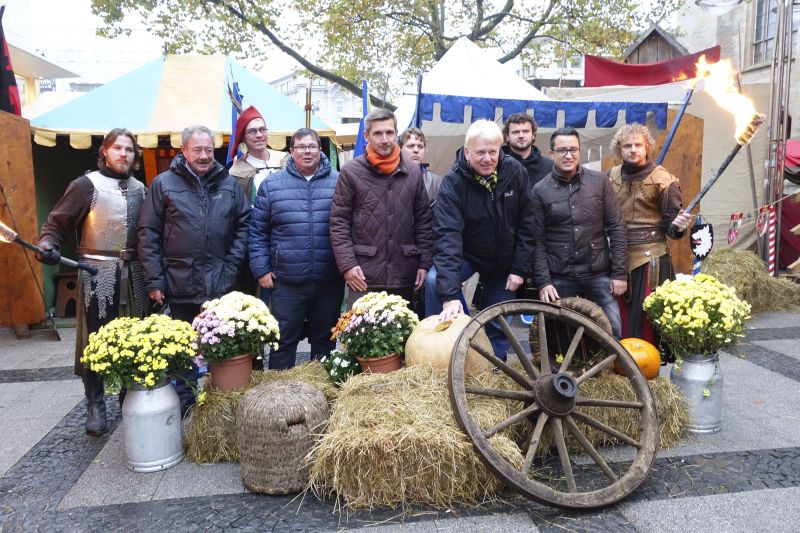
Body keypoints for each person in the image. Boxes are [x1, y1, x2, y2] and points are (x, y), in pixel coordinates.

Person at [37, 128, 148, 436]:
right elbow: (56, 222)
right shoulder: (86, 185)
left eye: (129, 149)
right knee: (95, 340)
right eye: (118, 148)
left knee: (134, 337)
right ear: (105, 152)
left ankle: (129, 394)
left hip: (134, 272)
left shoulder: (141, 188)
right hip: (97, 272)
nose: (123, 154)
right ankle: (95, 403)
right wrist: (48, 243)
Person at [138, 125, 251, 409]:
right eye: (197, 150)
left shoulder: (229, 185)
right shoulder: (163, 184)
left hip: (220, 282)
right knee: (184, 348)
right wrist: (154, 280)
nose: (203, 156)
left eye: (208, 150)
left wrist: (231, 265)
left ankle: (219, 405)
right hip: (179, 282)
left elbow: (244, 225)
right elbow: (148, 233)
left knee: (221, 346)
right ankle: (186, 402)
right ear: (184, 150)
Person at [425, 119, 535, 360]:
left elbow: (528, 223)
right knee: (434, 281)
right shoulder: (453, 182)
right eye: (480, 153)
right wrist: (450, 294)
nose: (487, 159)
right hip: (468, 253)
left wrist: (519, 268)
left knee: (499, 321)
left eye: (492, 152)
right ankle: (451, 344)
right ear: (467, 152)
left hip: (503, 258)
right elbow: (447, 235)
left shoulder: (515, 172)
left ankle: (494, 365)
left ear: (500, 150)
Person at [248, 128, 344, 369]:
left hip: (328, 277)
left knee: (325, 339)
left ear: (320, 150)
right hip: (286, 280)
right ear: (291, 151)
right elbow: (258, 232)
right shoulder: (272, 185)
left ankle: (321, 386)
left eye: (311, 146)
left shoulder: (339, 182)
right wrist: (261, 269)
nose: (306, 151)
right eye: (301, 147)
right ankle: (280, 388)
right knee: (283, 340)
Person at [329, 108, 433, 308]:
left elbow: (423, 221)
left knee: (403, 329)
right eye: (378, 133)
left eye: (389, 132)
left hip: (404, 274)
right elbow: (339, 222)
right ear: (366, 136)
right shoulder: (351, 172)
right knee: (360, 328)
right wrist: (348, 265)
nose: (385, 139)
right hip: (363, 276)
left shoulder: (413, 173)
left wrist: (424, 263)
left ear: (396, 133)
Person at [532, 127, 627, 338]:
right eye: (562, 150)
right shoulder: (540, 190)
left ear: (579, 151)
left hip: (598, 274)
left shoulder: (600, 182)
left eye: (573, 149)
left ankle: (609, 361)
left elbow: (617, 227)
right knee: (558, 335)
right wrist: (544, 282)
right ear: (551, 154)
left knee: (613, 331)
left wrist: (619, 273)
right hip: (560, 276)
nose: (568, 155)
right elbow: (536, 241)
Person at [608, 123, 691, 349]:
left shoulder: (664, 179)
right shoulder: (611, 176)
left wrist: (678, 225)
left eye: (638, 145)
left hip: (651, 257)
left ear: (647, 148)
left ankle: (648, 361)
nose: (633, 149)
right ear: (619, 148)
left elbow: (672, 227)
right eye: (627, 145)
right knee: (618, 315)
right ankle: (621, 358)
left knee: (647, 316)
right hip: (617, 255)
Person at [228, 106, 287, 203]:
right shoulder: (236, 173)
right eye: (252, 131)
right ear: (243, 137)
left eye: (262, 129)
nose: (259, 135)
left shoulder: (286, 160)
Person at [502, 112, 553, 187]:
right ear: (507, 136)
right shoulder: (498, 164)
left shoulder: (549, 166)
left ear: (533, 135)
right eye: (516, 132)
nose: (521, 136)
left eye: (525, 131)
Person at [399, 127, 443, 203]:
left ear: (425, 150)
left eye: (420, 146)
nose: (416, 150)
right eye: (410, 146)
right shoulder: (391, 178)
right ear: (399, 149)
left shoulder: (436, 182)